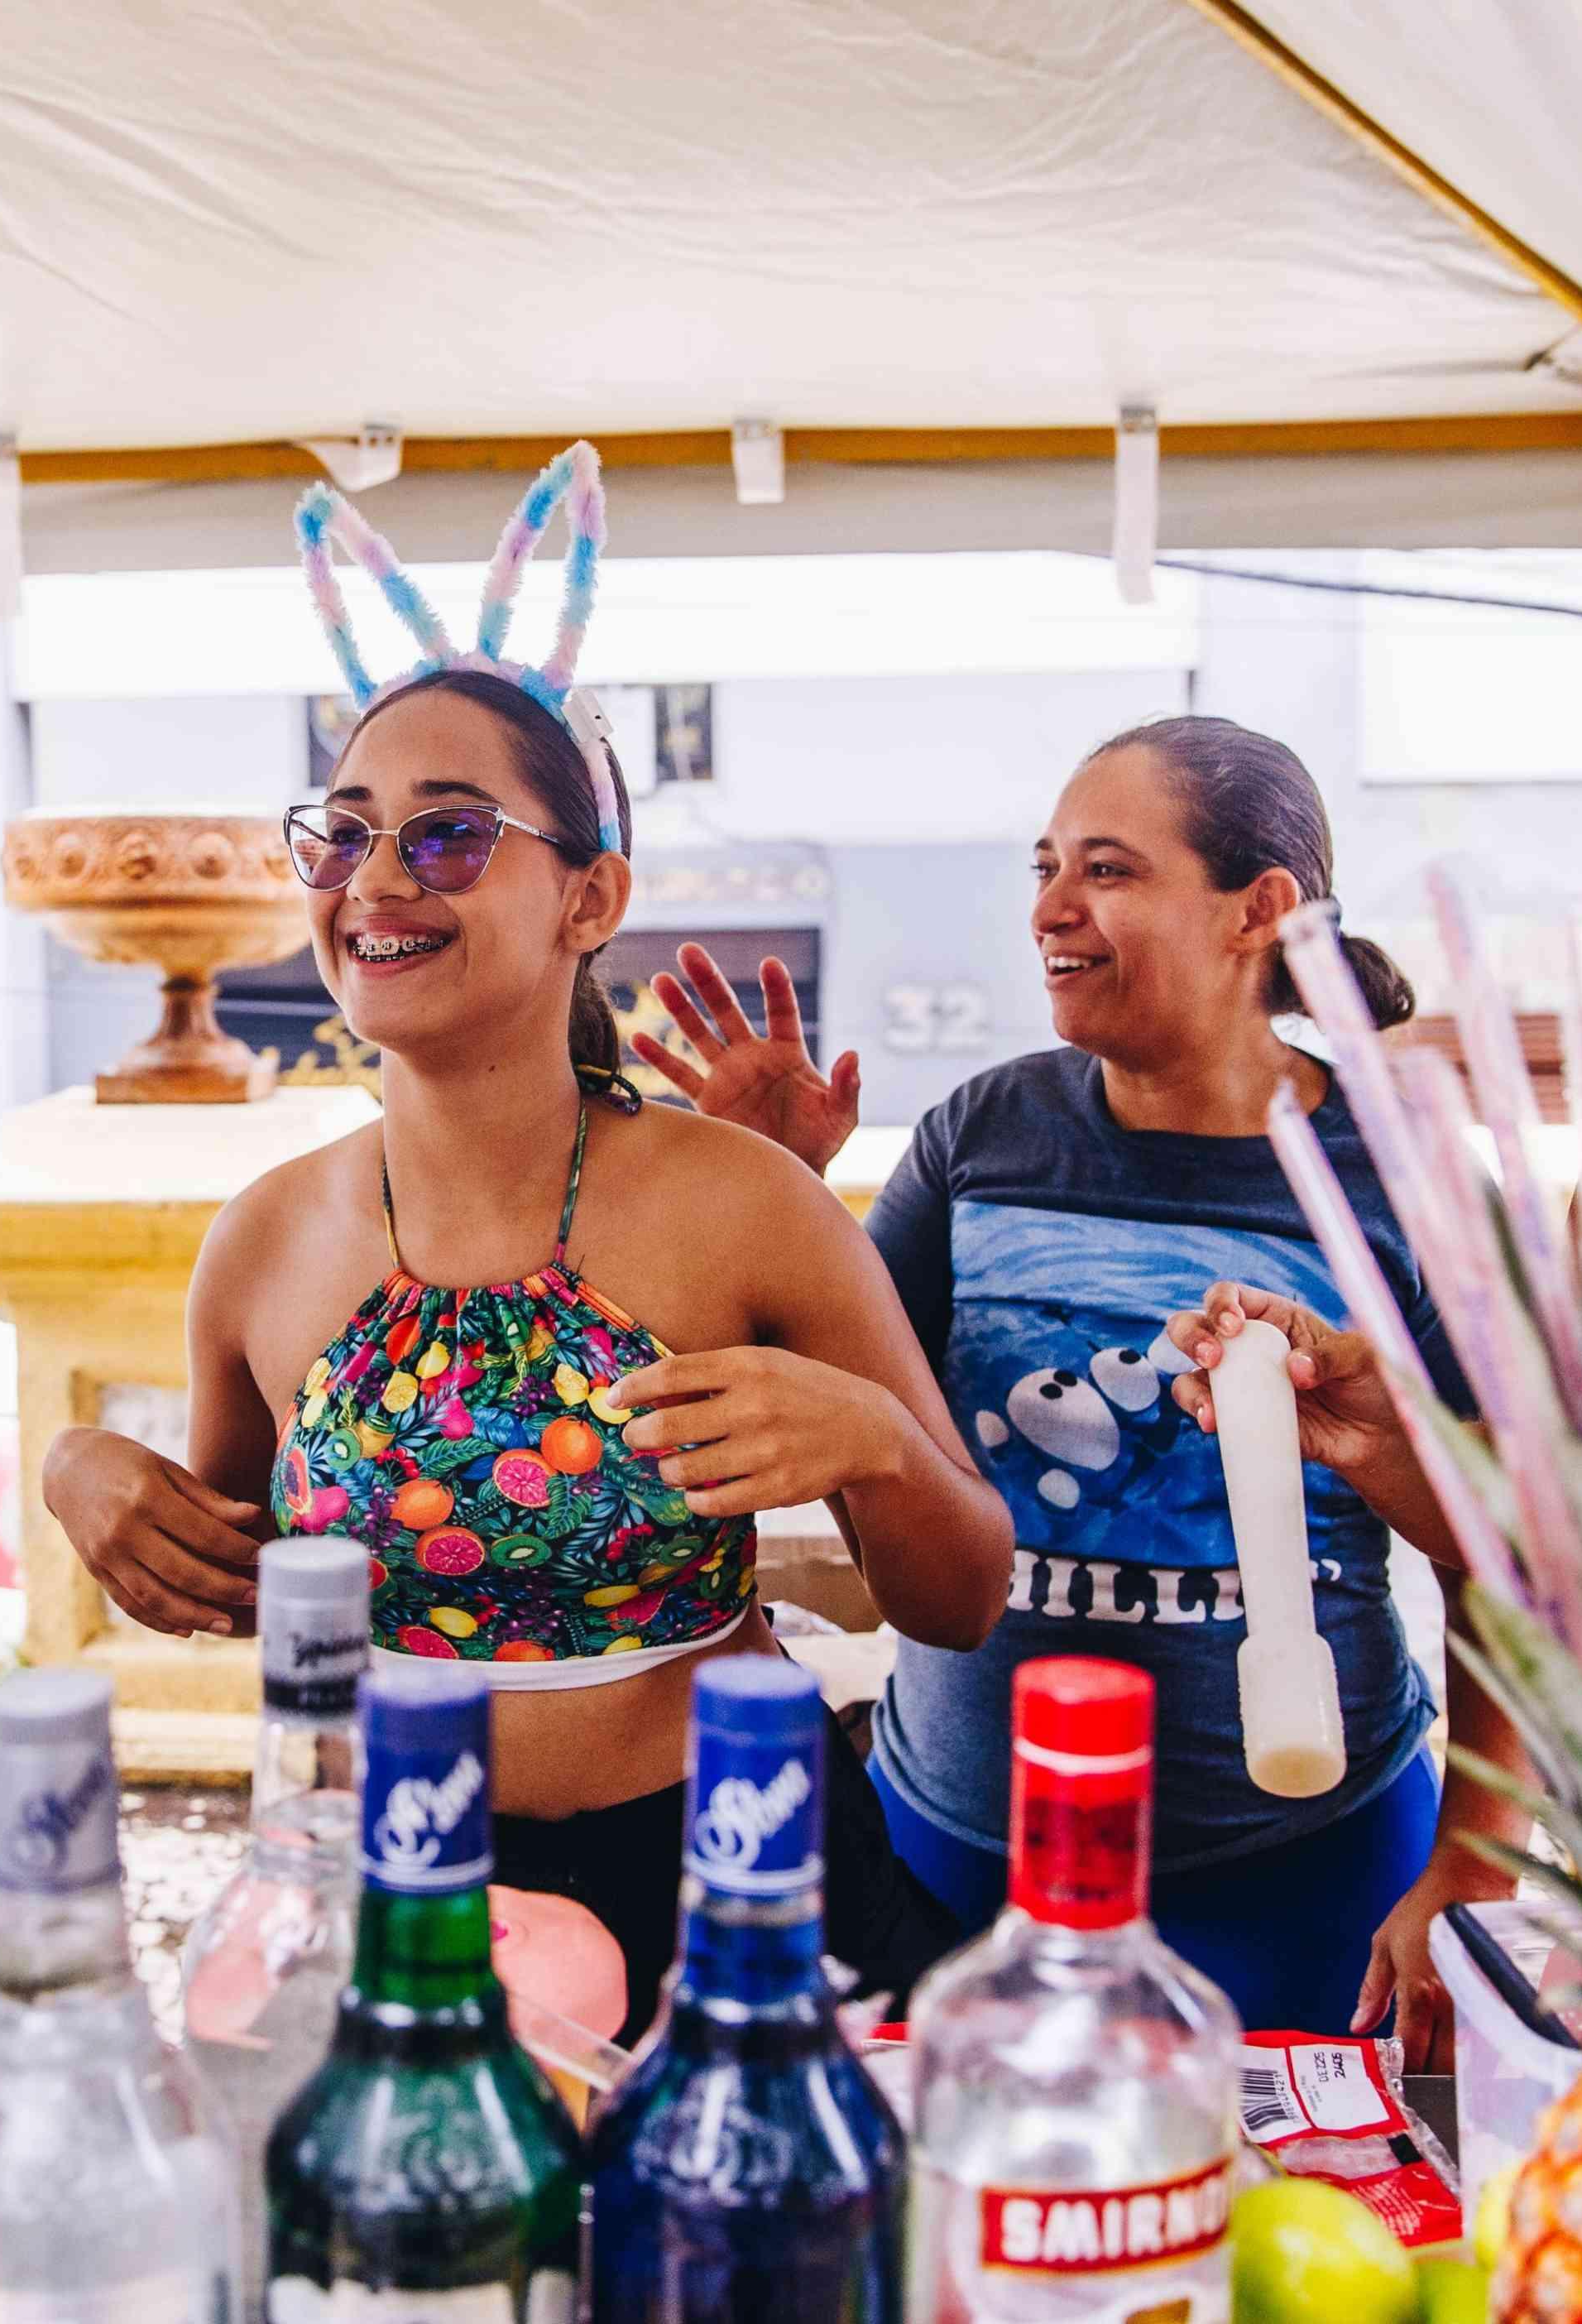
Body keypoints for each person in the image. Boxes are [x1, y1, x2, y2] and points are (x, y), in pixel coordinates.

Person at [42, 447, 1009, 2034]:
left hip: (739, 1869)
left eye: (447, 836)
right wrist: (88, 1477)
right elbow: (216, 1569)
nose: (375, 883)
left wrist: (882, 1447)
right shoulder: (265, 1243)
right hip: (397, 1884)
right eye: (341, 834)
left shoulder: (741, 1201)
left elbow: (962, 1597)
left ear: (591, 896)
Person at [634, 716, 1529, 2048]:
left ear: (1258, 910)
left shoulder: (1404, 1178)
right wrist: (771, 1196)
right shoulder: (986, 1134)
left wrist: (1477, 1859)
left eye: (1107, 870)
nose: (1051, 907)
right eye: (1047, 868)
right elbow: (844, 1408)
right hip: (960, 1856)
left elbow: (1509, 1549)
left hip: (1307, 1867)